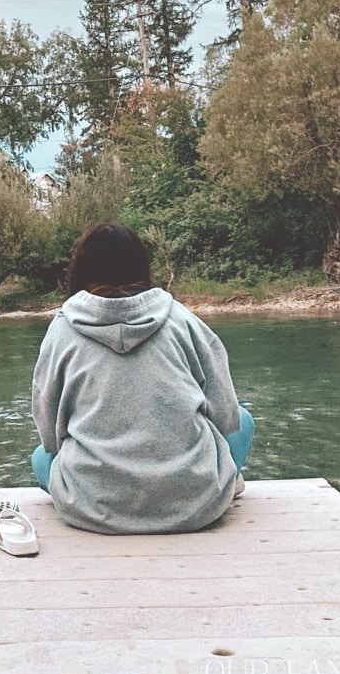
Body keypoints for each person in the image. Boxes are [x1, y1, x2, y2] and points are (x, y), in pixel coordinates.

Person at [30, 223, 254, 535]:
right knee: (245, 418)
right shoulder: (182, 319)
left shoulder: (62, 330)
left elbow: (48, 427)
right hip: (196, 505)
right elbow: (227, 412)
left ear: (80, 270)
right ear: (141, 266)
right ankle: (224, 483)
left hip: (93, 507)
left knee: (40, 457)